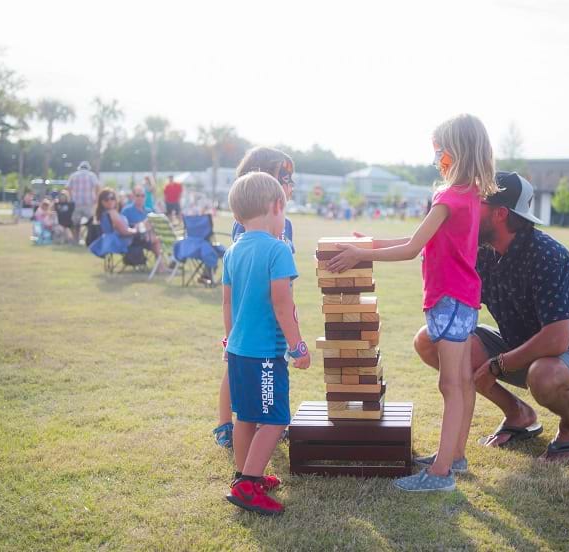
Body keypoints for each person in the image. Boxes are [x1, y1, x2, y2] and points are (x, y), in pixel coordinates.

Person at [327, 114, 498, 492]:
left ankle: (440, 474)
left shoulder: (449, 196)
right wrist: (369, 244)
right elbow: (421, 238)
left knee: (451, 384)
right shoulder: (467, 196)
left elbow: (411, 249)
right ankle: (454, 456)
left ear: (454, 152)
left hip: (449, 301)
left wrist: (361, 253)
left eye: (439, 149)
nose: (436, 156)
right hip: (461, 301)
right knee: (461, 383)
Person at [414, 172, 569, 462]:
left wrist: (497, 365)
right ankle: (518, 414)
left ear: (500, 213)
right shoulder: (482, 252)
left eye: (475, 204)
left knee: (544, 374)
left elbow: (557, 339)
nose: (466, 211)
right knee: (430, 340)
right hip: (520, 348)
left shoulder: (547, 255)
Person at [222, 171, 309, 516]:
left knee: (245, 416)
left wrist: (230, 337)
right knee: (274, 418)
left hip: (238, 351)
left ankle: (245, 475)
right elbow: (282, 303)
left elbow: (227, 303)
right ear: (276, 206)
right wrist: (297, 345)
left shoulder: (232, 252)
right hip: (265, 358)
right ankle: (248, 486)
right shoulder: (278, 250)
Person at [213, 147, 297, 448]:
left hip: (271, 317)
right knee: (237, 370)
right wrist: (230, 332)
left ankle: (261, 422)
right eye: (284, 177)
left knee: (260, 376)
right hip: (251, 319)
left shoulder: (283, 223)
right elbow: (239, 283)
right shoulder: (247, 223)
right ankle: (226, 424)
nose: (290, 184)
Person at [120, 184, 164, 266]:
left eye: (143, 196)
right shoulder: (126, 210)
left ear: (145, 197)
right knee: (155, 235)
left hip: (148, 237)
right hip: (133, 238)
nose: (140, 198)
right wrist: (140, 226)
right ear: (133, 196)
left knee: (156, 235)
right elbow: (124, 227)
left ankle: (162, 266)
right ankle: (162, 266)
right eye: (138, 195)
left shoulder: (148, 210)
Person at [88, 188, 136, 258]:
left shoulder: (102, 213)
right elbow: (123, 231)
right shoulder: (112, 213)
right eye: (106, 199)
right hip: (121, 241)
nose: (110, 201)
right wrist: (136, 230)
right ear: (102, 202)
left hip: (110, 240)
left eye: (112, 198)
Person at [67, 161, 101, 245]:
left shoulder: (73, 175)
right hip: (88, 203)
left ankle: (76, 240)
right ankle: (89, 239)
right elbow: (97, 186)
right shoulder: (92, 175)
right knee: (90, 223)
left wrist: (71, 198)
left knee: (76, 223)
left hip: (76, 204)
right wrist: (96, 198)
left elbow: (68, 188)